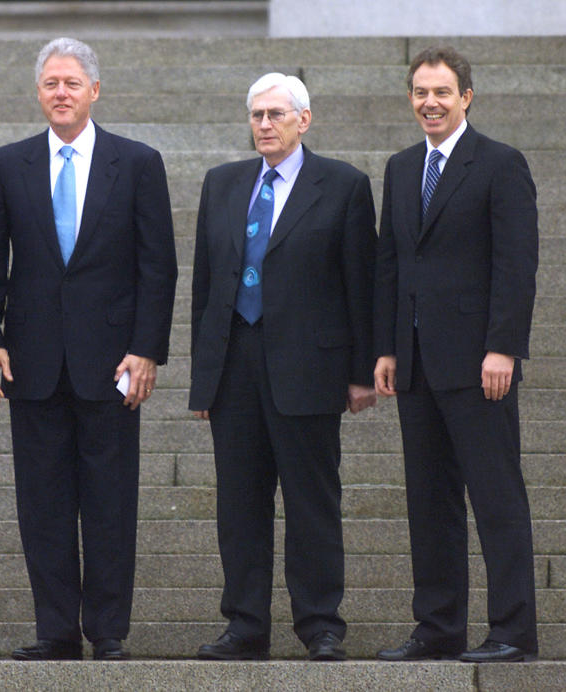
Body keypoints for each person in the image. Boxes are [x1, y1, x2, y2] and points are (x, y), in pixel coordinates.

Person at [0, 37, 178, 661]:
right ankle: (57, 630)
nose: (60, 93)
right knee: (42, 504)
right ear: (38, 94)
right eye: (50, 84)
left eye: (71, 83)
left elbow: (159, 266)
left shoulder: (137, 162)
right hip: (32, 363)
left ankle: (109, 631)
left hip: (113, 364)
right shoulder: (7, 165)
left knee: (110, 502)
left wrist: (146, 349)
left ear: (95, 90)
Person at [188, 73, 378, 661]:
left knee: (310, 500)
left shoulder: (343, 185)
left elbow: (361, 283)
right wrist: (205, 375)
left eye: (275, 114)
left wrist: (361, 371)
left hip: (308, 368)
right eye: (256, 115)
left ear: (304, 119)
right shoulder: (222, 184)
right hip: (235, 364)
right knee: (239, 503)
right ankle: (245, 624)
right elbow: (205, 285)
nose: (264, 125)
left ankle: (320, 623)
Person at [373, 46, 539, 663]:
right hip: (415, 365)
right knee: (429, 501)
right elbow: (391, 261)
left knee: (496, 498)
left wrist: (503, 347)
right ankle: (438, 628)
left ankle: (513, 633)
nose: (430, 103)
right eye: (420, 92)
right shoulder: (399, 168)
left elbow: (515, 264)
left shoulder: (499, 164)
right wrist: (386, 347)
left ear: (465, 97)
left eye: (442, 92)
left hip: (479, 365)